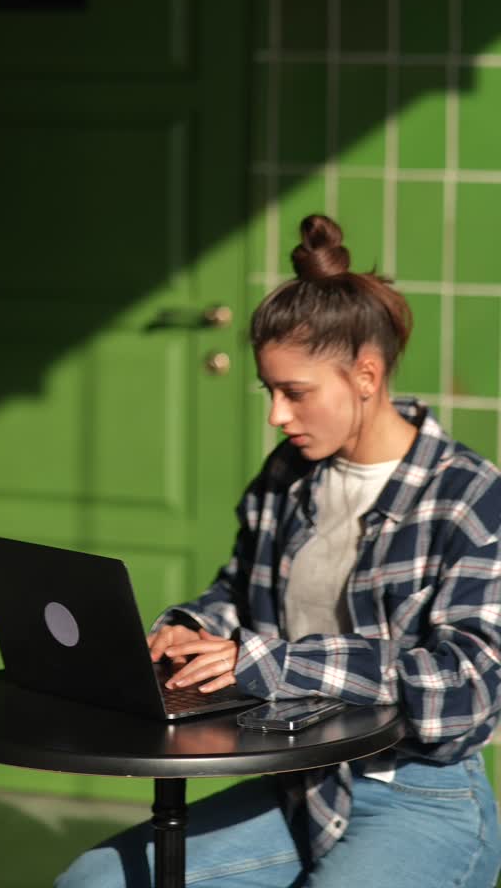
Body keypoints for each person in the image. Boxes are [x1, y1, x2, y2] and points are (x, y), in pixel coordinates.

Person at [56, 214, 501, 888]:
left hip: (419, 793)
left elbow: (467, 687)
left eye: (296, 393)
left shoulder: (470, 496)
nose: (277, 416)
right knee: (94, 882)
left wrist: (273, 663)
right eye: (270, 391)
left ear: (366, 375)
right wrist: (192, 630)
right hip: (300, 783)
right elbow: (239, 592)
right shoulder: (288, 475)